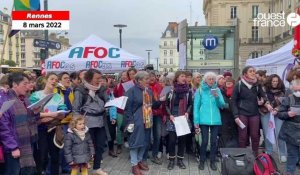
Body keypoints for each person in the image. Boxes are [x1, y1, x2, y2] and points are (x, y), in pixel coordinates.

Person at [73, 69, 109, 175]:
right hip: (87, 122)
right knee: (86, 147)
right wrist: (77, 125)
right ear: (89, 78)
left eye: (100, 78)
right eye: (97, 78)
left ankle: (97, 168)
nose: (100, 80)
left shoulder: (101, 89)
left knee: (100, 146)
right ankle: (83, 169)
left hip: (101, 122)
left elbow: (107, 101)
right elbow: (76, 109)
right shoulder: (80, 90)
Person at [0, 72, 38, 175]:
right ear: (15, 84)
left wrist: (36, 112)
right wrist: (13, 147)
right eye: (24, 84)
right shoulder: (5, 99)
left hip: (26, 144)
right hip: (13, 147)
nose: (28, 87)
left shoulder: (25, 99)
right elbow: (4, 127)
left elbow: (31, 119)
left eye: (28, 83)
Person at [124, 71, 161, 175]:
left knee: (145, 142)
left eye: (148, 79)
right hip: (136, 121)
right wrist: (130, 122)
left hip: (148, 120)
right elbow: (128, 109)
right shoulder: (131, 91)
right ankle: (134, 165)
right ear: (139, 80)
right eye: (146, 79)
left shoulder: (148, 90)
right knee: (135, 143)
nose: (148, 81)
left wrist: (160, 100)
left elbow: (153, 105)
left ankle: (140, 160)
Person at [29, 72, 67, 175]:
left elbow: (62, 113)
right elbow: (33, 112)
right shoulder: (35, 95)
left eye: (56, 80)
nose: (54, 81)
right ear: (46, 80)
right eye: (51, 79)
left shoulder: (59, 97)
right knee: (42, 157)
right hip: (40, 129)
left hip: (54, 128)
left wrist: (47, 115)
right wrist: (53, 114)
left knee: (55, 157)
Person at [231, 66, 273, 156]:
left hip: (254, 113)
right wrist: (235, 115)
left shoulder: (257, 85)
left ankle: (255, 154)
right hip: (242, 114)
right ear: (245, 74)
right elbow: (233, 101)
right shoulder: (239, 85)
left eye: (254, 71)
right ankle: (242, 154)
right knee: (243, 135)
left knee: (255, 135)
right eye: (251, 71)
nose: (253, 73)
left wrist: (263, 101)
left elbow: (263, 96)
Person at [193, 72, 226, 171]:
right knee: (204, 141)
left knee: (214, 142)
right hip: (204, 119)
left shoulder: (217, 90)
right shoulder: (200, 90)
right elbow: (196, 107)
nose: (211, 81)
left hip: (215, 120)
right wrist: (196, 121)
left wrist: (217, 97)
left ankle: (212, 161)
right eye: (209, 79)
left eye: (213, 79)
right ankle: (202, 160)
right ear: (205, 80)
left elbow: (222, 105)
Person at [165, 70, 192, 170]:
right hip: (173, 118)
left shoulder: (188, 91)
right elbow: (166, 105)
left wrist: (187, 112)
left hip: (183, 118)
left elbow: (190, 104)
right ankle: (171, 160)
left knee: (182, 140)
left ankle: (180, 160)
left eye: (185, 76)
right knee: (172, 141)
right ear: (177, 78)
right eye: (182, 76)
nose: (184, 78)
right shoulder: (171, 90)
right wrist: (170, 115)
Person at [276, 79, 300, 175]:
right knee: (292, 153)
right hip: (290, 131)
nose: (298, 92)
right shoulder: (288, 99)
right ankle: (290, 172)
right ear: (292, 89)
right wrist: (287, 114)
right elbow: (280, 114)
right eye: (296, 90)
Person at [262, 74, 287, 162]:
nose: (275, 83)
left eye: (276, 81)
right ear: (270, 81)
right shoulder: (264, 89)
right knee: (267, 132)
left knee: (279, 133)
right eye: (273, 81)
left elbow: (284, 103)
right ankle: (268, 151)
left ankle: (283, 153)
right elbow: (262, 99)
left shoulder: (282, 90)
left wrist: (277, 109)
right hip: (266, 113)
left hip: (278, 113)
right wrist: (267, 105)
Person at [148, 71, 163, 165]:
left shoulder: (160, 87)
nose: (151, 78)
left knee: (157, 135)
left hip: (157, 114)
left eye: (153, 76)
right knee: (146, 136)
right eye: (149, 76)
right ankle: (144, 155)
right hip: (147, 114)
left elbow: (163, 100)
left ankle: (154, 155)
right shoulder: (145, 87)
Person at [219, 77, 238, 148]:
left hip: (233, 114)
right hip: (224, 114)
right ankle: (224, 147)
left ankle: (234, 147)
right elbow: (221, 103)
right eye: (227, 82)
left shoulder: (236, 91)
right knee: (224, 132)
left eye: (231, 82)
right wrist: (229, 105)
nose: (229, 84)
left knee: (234, 131)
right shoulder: (221, 91)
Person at [113, 70, 129, 154]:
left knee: (129, 128)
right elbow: (114, 96)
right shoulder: (118, 85)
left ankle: (129, 142)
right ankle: (119, 144)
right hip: (120, 110)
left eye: (125, 75)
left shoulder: (131, 85)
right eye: (122, 75)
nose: (124, 76)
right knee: (119, 128)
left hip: (129, 110)